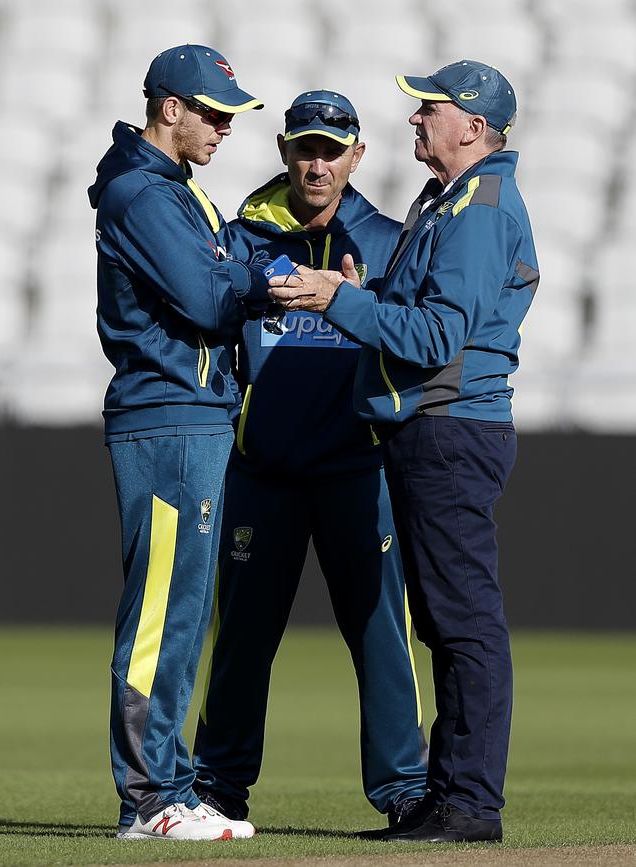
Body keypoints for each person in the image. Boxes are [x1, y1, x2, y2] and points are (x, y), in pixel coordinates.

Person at [269, 60, 539, 843]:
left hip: (451, 428)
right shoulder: (450, 200)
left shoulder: (480, 208)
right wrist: (364, 293)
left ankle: (469, 805)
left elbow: (436, 338)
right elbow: (420, 316)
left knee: (465, 626)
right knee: (447, 623)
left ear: (474, 128)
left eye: (432, 109)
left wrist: (339, 299)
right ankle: (448, 797)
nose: (416, 119)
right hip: (434, 427)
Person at [191, 90, 428, 825]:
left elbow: (417, 339)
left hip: (359, 469)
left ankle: (404, 789)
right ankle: (218, 785)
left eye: (332, 149)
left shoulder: (388, 241)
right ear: (285, 151)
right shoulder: (242, 241)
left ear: (358, 156)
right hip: (263, 470)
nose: (317, 163)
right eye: (305, 147)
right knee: (242, 639)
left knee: (381, 633)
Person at [87, 44, 271, 841]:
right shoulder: (142, 193)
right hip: (167, 414)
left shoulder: (174, 190)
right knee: (162, 610)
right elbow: (205, 296)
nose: (226, 127)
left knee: (186, 610)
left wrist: (234, 276)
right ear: (171, 108)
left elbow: (215, 278)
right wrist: (259, 285)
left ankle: (168, 782)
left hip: (192, 413)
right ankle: (150, 797)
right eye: (215, 111)